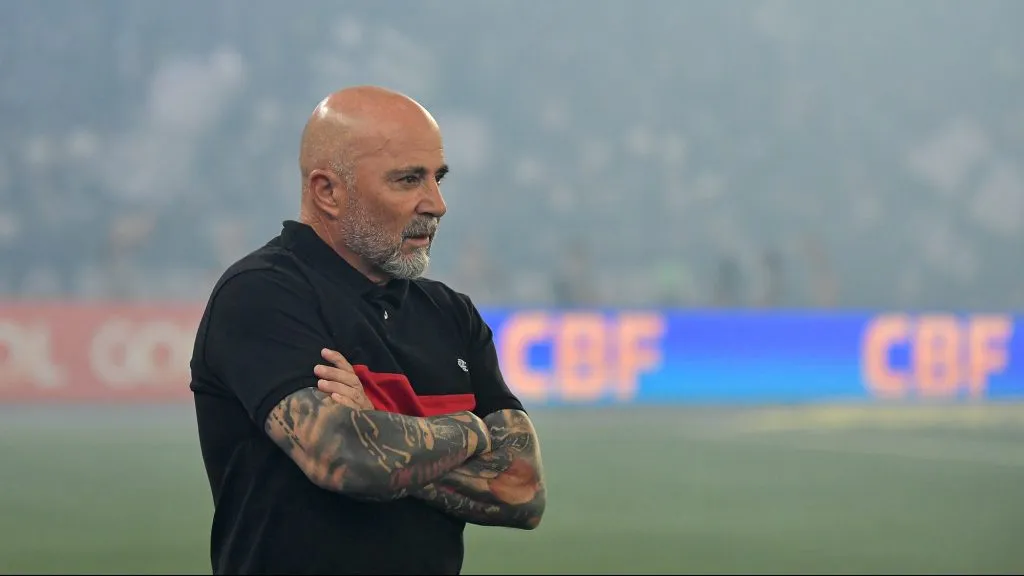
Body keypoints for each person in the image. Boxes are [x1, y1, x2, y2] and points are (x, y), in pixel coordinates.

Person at [189, 85, 547, 575]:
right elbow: (344, 457)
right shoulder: (261, 294)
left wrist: (379, 427)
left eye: (438, 178)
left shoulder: (450, 314)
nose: (437, 204)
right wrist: (470, 431)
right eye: (407, 180)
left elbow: (522, 491)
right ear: (328, 191)